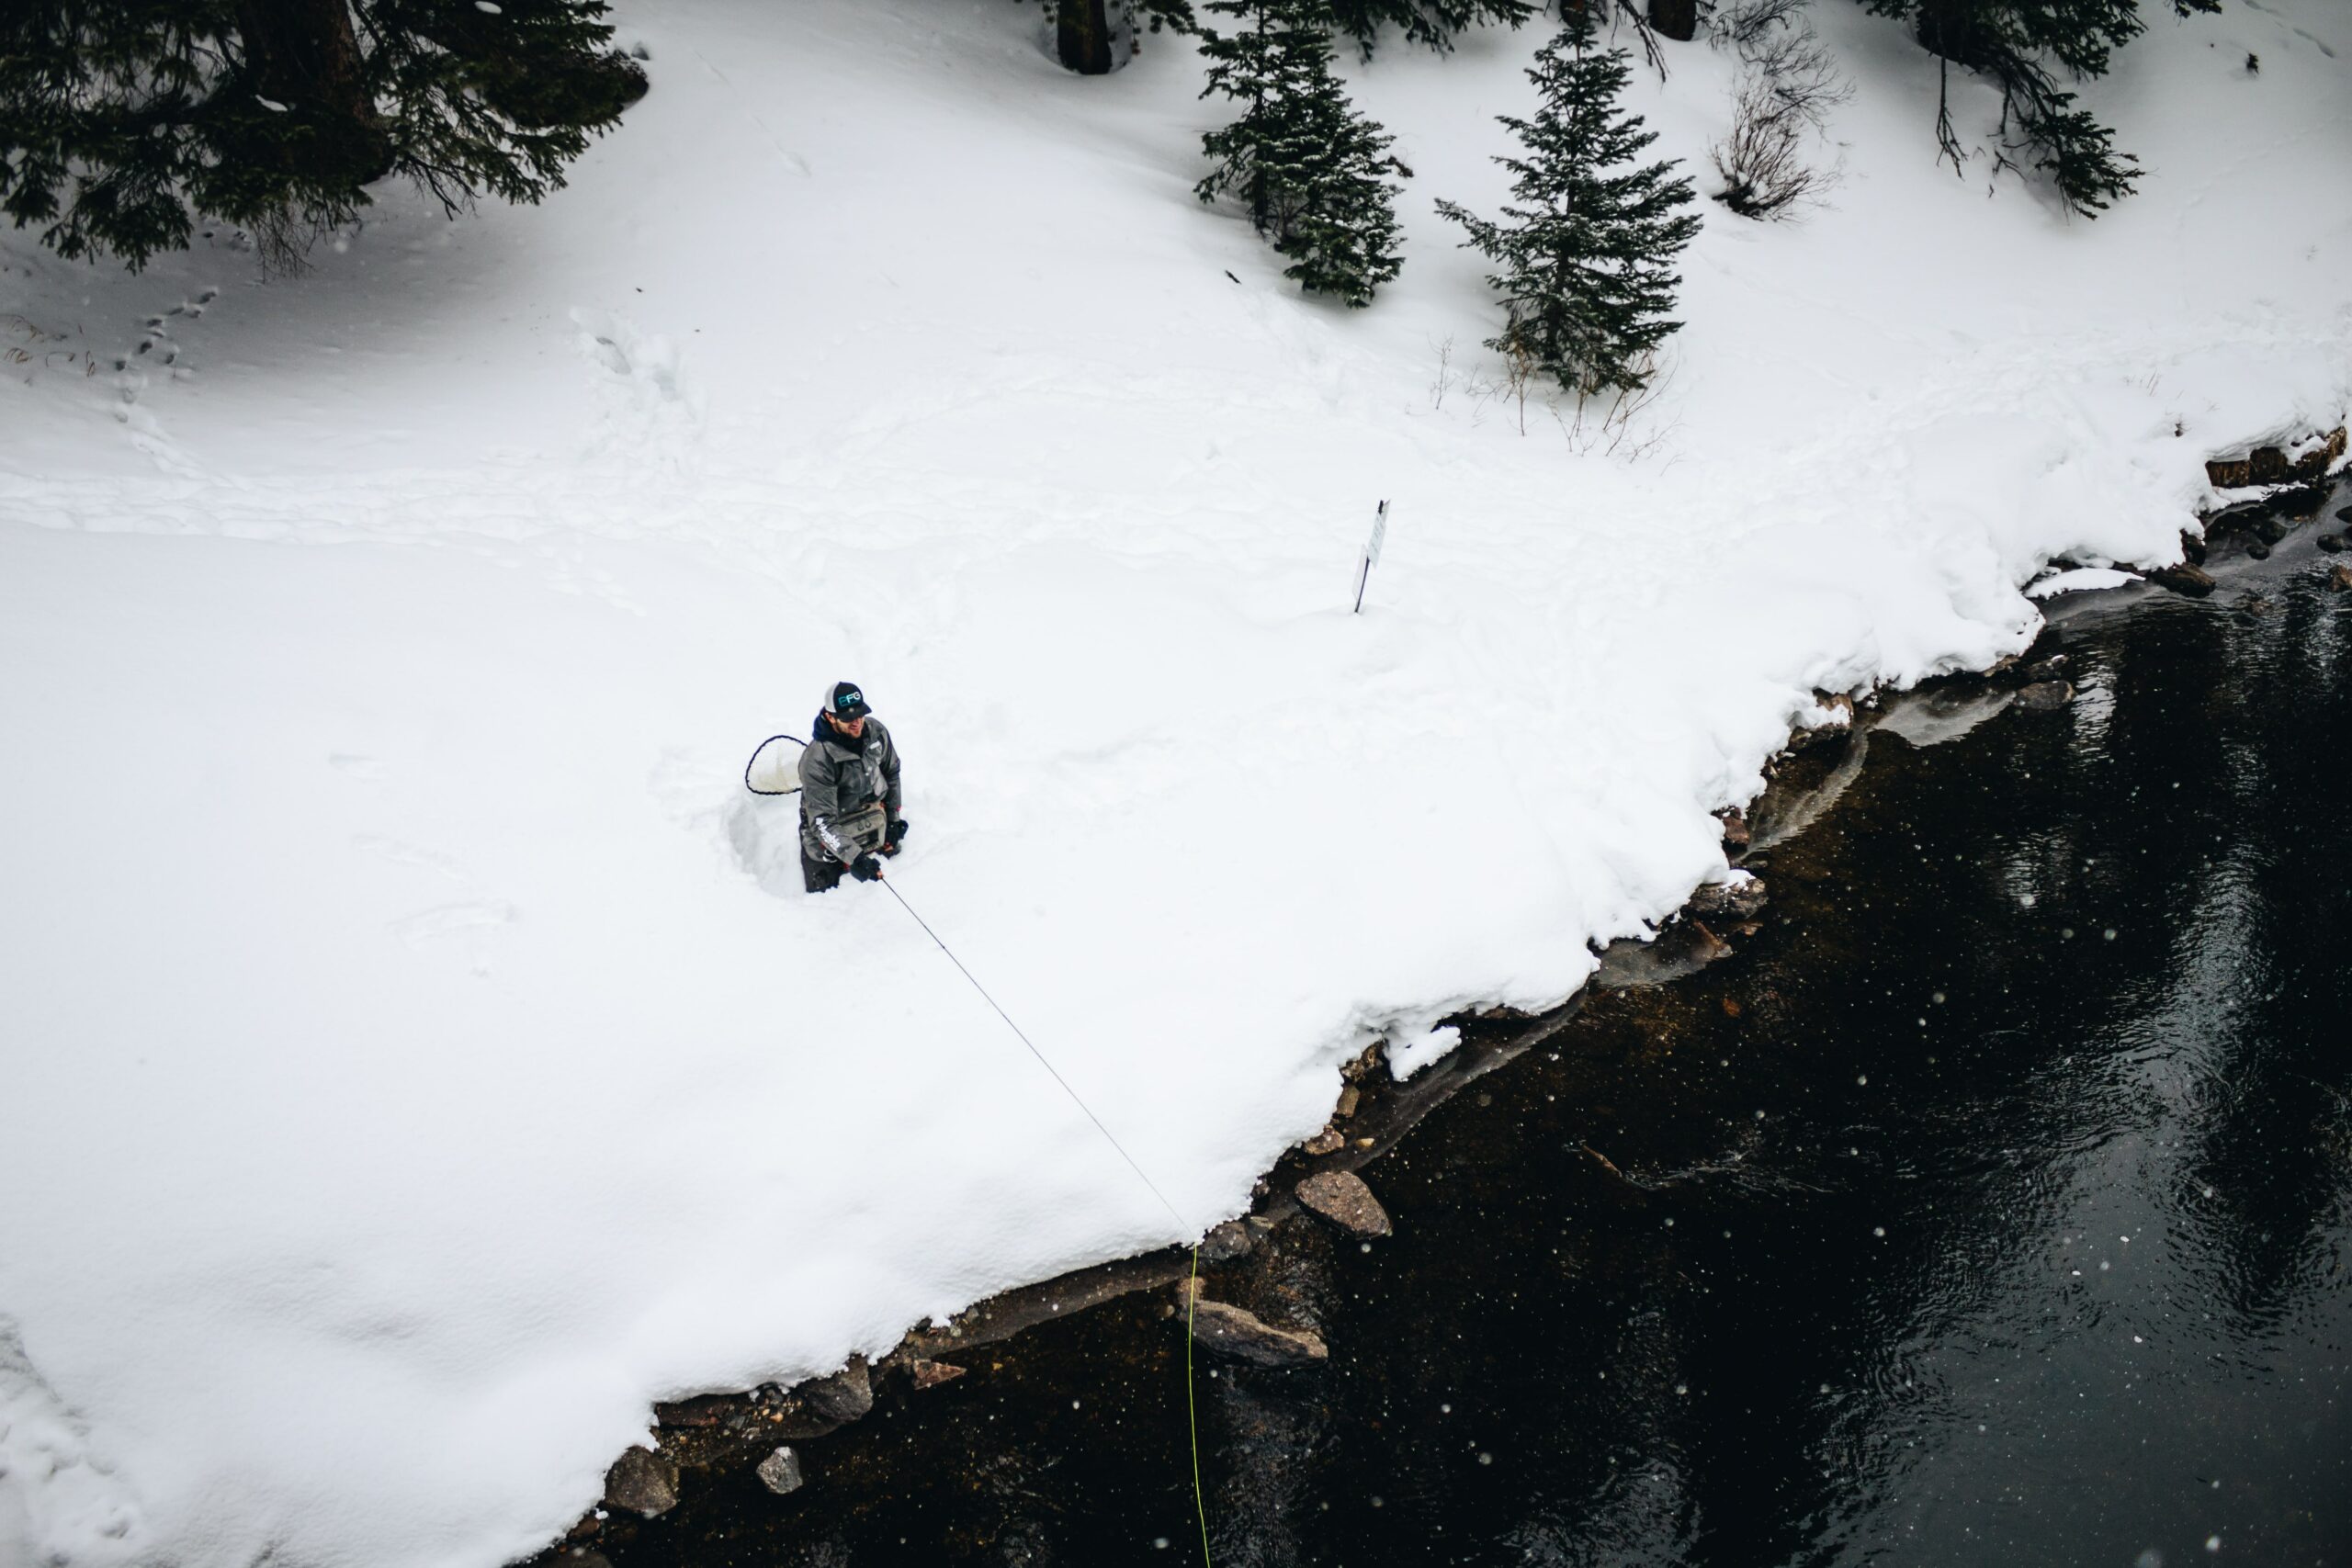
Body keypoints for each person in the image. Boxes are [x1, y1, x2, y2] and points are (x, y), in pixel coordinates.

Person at [799, 681, 907, 893]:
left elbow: (892, 772)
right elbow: (822, 823)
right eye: (847, 718)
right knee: (826, 902)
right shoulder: (817, 759)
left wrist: (894, 819)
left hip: (873, 820)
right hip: (830, 835)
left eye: (860, 714)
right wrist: (854, 857)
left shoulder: (876, 732)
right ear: (830, 717)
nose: (857, 722)